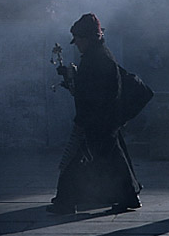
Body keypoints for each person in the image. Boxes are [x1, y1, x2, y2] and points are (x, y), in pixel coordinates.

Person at [47, 13, 142, 214]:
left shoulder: (98, 59)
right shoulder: (97, 56)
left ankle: (66, 201)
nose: (77, 44)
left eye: (79, 40)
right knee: (109, 160)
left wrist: (82, 120)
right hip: (102, 120)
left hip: (98, 120)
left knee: (78, 161)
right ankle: (127, 196)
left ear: (88, 38)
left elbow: (93, 94)